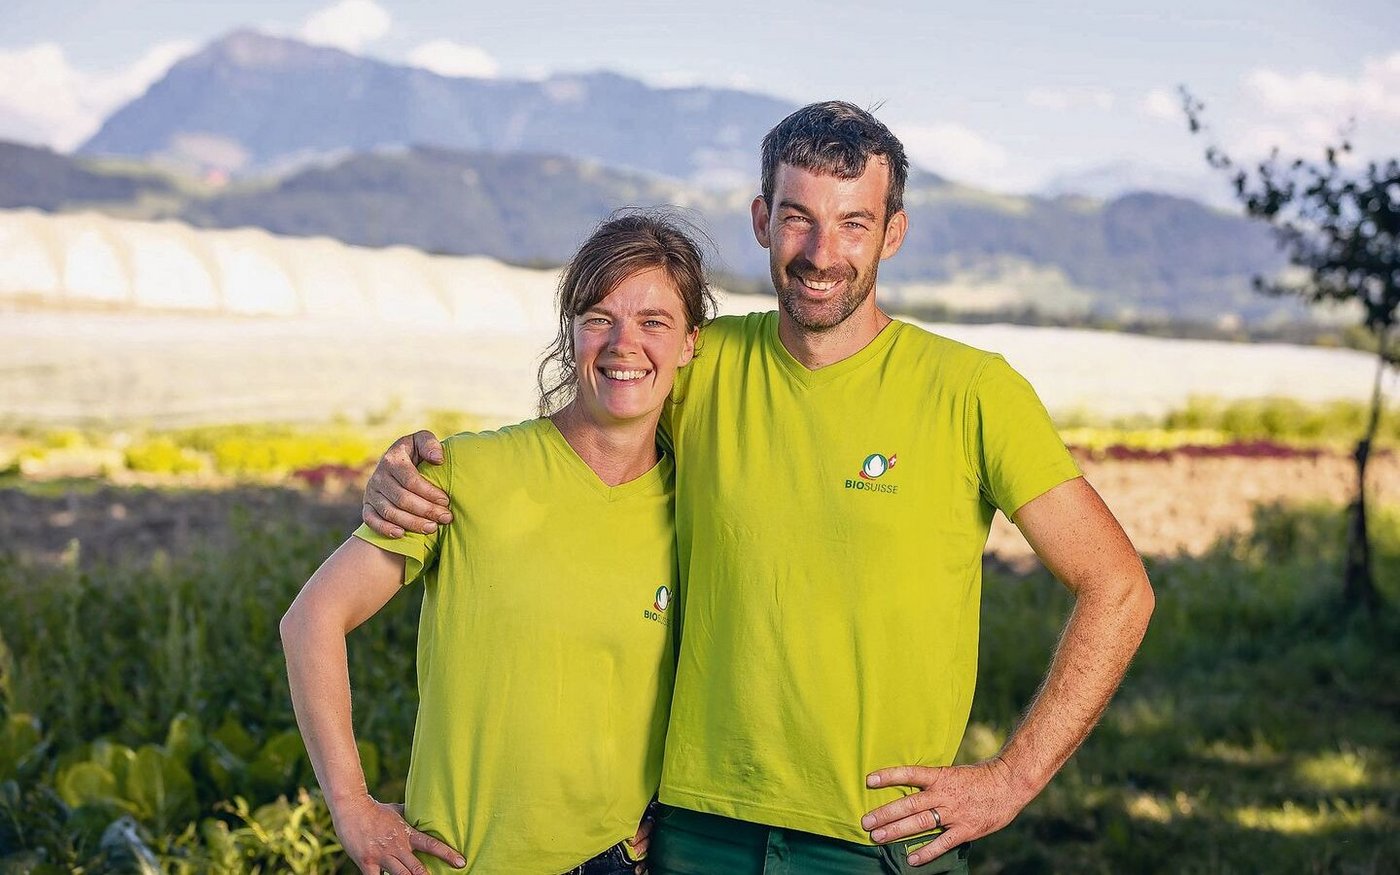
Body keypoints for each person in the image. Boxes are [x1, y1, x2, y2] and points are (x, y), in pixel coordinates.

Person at [361, 102, 1155, 873]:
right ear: (761, 220)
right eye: (798, 217)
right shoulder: (702, 363)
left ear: (894, 233)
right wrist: (416, 466)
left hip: (876, 836)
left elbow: (1117, 586)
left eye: (853, 222)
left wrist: (1011, 779)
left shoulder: (973, 391)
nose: (821, 251)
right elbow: (582, 427)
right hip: (696, 829)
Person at [281, 211, 716, 875]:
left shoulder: (693, 508)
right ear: (572, 333)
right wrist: (351, 804)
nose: (624, 343)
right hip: (463, 861)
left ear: (689, 343)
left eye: (654, 321)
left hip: (614, 862)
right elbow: (312, 618)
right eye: (600, 317)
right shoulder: (466, 473)